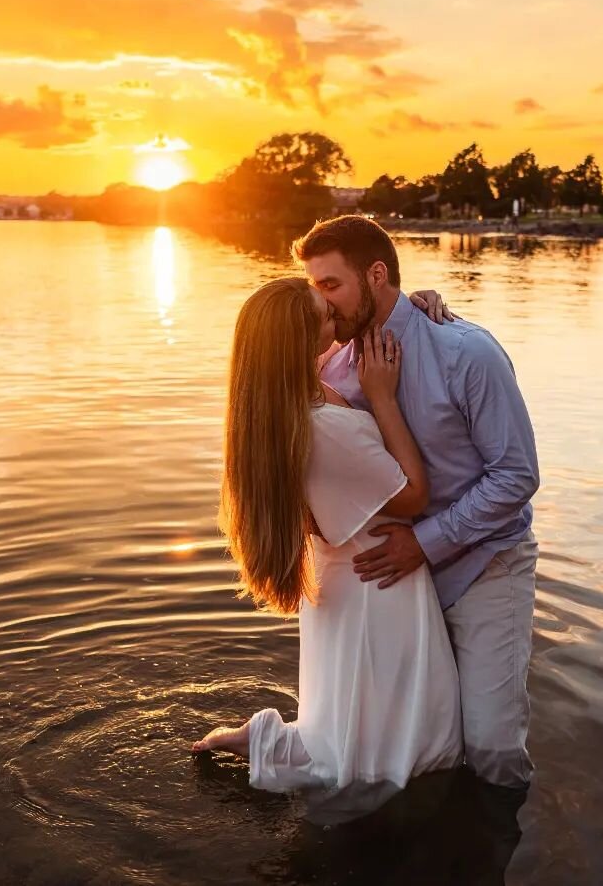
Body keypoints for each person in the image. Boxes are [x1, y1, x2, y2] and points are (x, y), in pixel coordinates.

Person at [192, 277, 463, 816]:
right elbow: (412, 496)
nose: (337, 322)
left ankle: (271, 743)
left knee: (353, 714)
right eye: (324, 318)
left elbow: (363, 320)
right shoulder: (322, 425)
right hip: (378, 575)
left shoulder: (282, 404)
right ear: (298, 342)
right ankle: (305, 772)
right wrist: (383, 399)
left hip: (341, 573)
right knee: (402, 738)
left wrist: (408, 304)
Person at [295, 214, 540, 790]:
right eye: (315, 291)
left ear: (377, 274)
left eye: (331, 286)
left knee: (492, 748)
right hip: (395, 583)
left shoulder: (466, 352)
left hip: (484, 566)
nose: (323, 305)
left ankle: (504, 854)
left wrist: (425, 544)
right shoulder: (330, 363)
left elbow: (516, 476)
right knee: (413, 736)